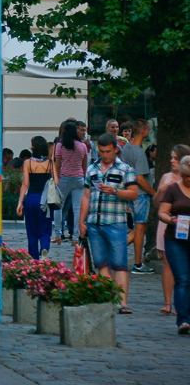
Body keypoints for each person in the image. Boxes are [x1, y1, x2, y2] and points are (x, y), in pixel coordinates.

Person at [79, 133, 139, 313]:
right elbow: (86, 196)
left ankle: (123, 303)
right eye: (102, 151)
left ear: (116, 149)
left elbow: (134, 193)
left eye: (108, 151)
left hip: (115, 222)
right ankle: (110, 299)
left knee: (119, 263)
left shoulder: (125, 169)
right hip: (95, 223)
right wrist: (81, 222)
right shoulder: (92, 168)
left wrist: (115, 191)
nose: (105, 155)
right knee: (101, 264)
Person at [157, 153, 190, 334]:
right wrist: (170, 220)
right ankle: (183, 320)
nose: (188, 180)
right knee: (183, 278)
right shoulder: (172, 189)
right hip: (176, 238)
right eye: (185, 176)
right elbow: (162, 212)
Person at [119, 118, 156, 273]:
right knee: (140, 228)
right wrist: (154, 193)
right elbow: (140, 178)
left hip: (130, 191)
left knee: (139, 228)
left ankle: (115, 250)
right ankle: (137, 263)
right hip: (140, 194)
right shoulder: (139, 152)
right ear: (145, 130)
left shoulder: (126, 148)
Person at [16, 136, 55, 259]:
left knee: (32, 232)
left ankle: (33, 259)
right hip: (45, 200)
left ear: (33, 147)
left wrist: (20, 202)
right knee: (45, 230)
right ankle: (44, 248)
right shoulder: (50, 163)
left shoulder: (28, 163)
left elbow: (25, 184)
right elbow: (56, 182)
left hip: (31, 199)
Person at [54, 118, 88, 244]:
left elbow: (57, 164)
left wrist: (56, 178)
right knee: (77, 209)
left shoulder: (60, 146)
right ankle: (75, 236)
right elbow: (84, 165)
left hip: (64, 177)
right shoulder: (82, 146)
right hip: (78, 178)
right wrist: (83, 177)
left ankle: (58, 233)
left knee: (58, 206)